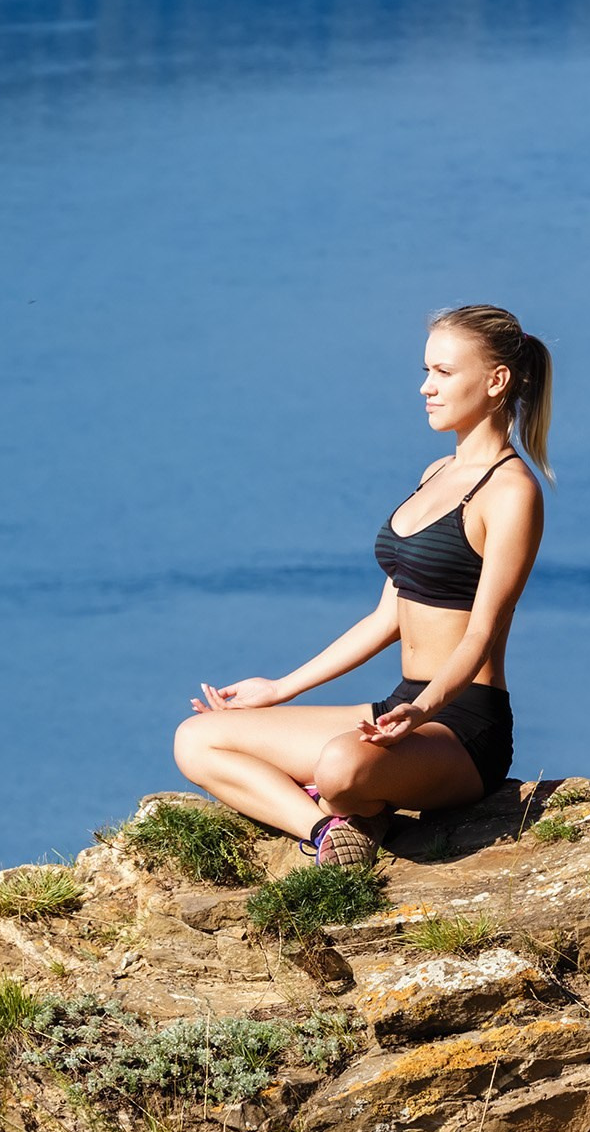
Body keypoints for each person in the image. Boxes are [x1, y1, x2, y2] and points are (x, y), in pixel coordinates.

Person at [173, 304, 552, 867]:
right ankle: (329, 831)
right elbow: (387, 618)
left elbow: (481, 636)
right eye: (426, 371)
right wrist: (280, 689)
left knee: (342, 767)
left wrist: (422, 711)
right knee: (199, 738)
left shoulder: (511, 492)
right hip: (403, 707)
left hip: (464, 726)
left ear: (495, 381)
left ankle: (343, 795)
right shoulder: (436, 474)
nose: (425, 387)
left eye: (443, 373)